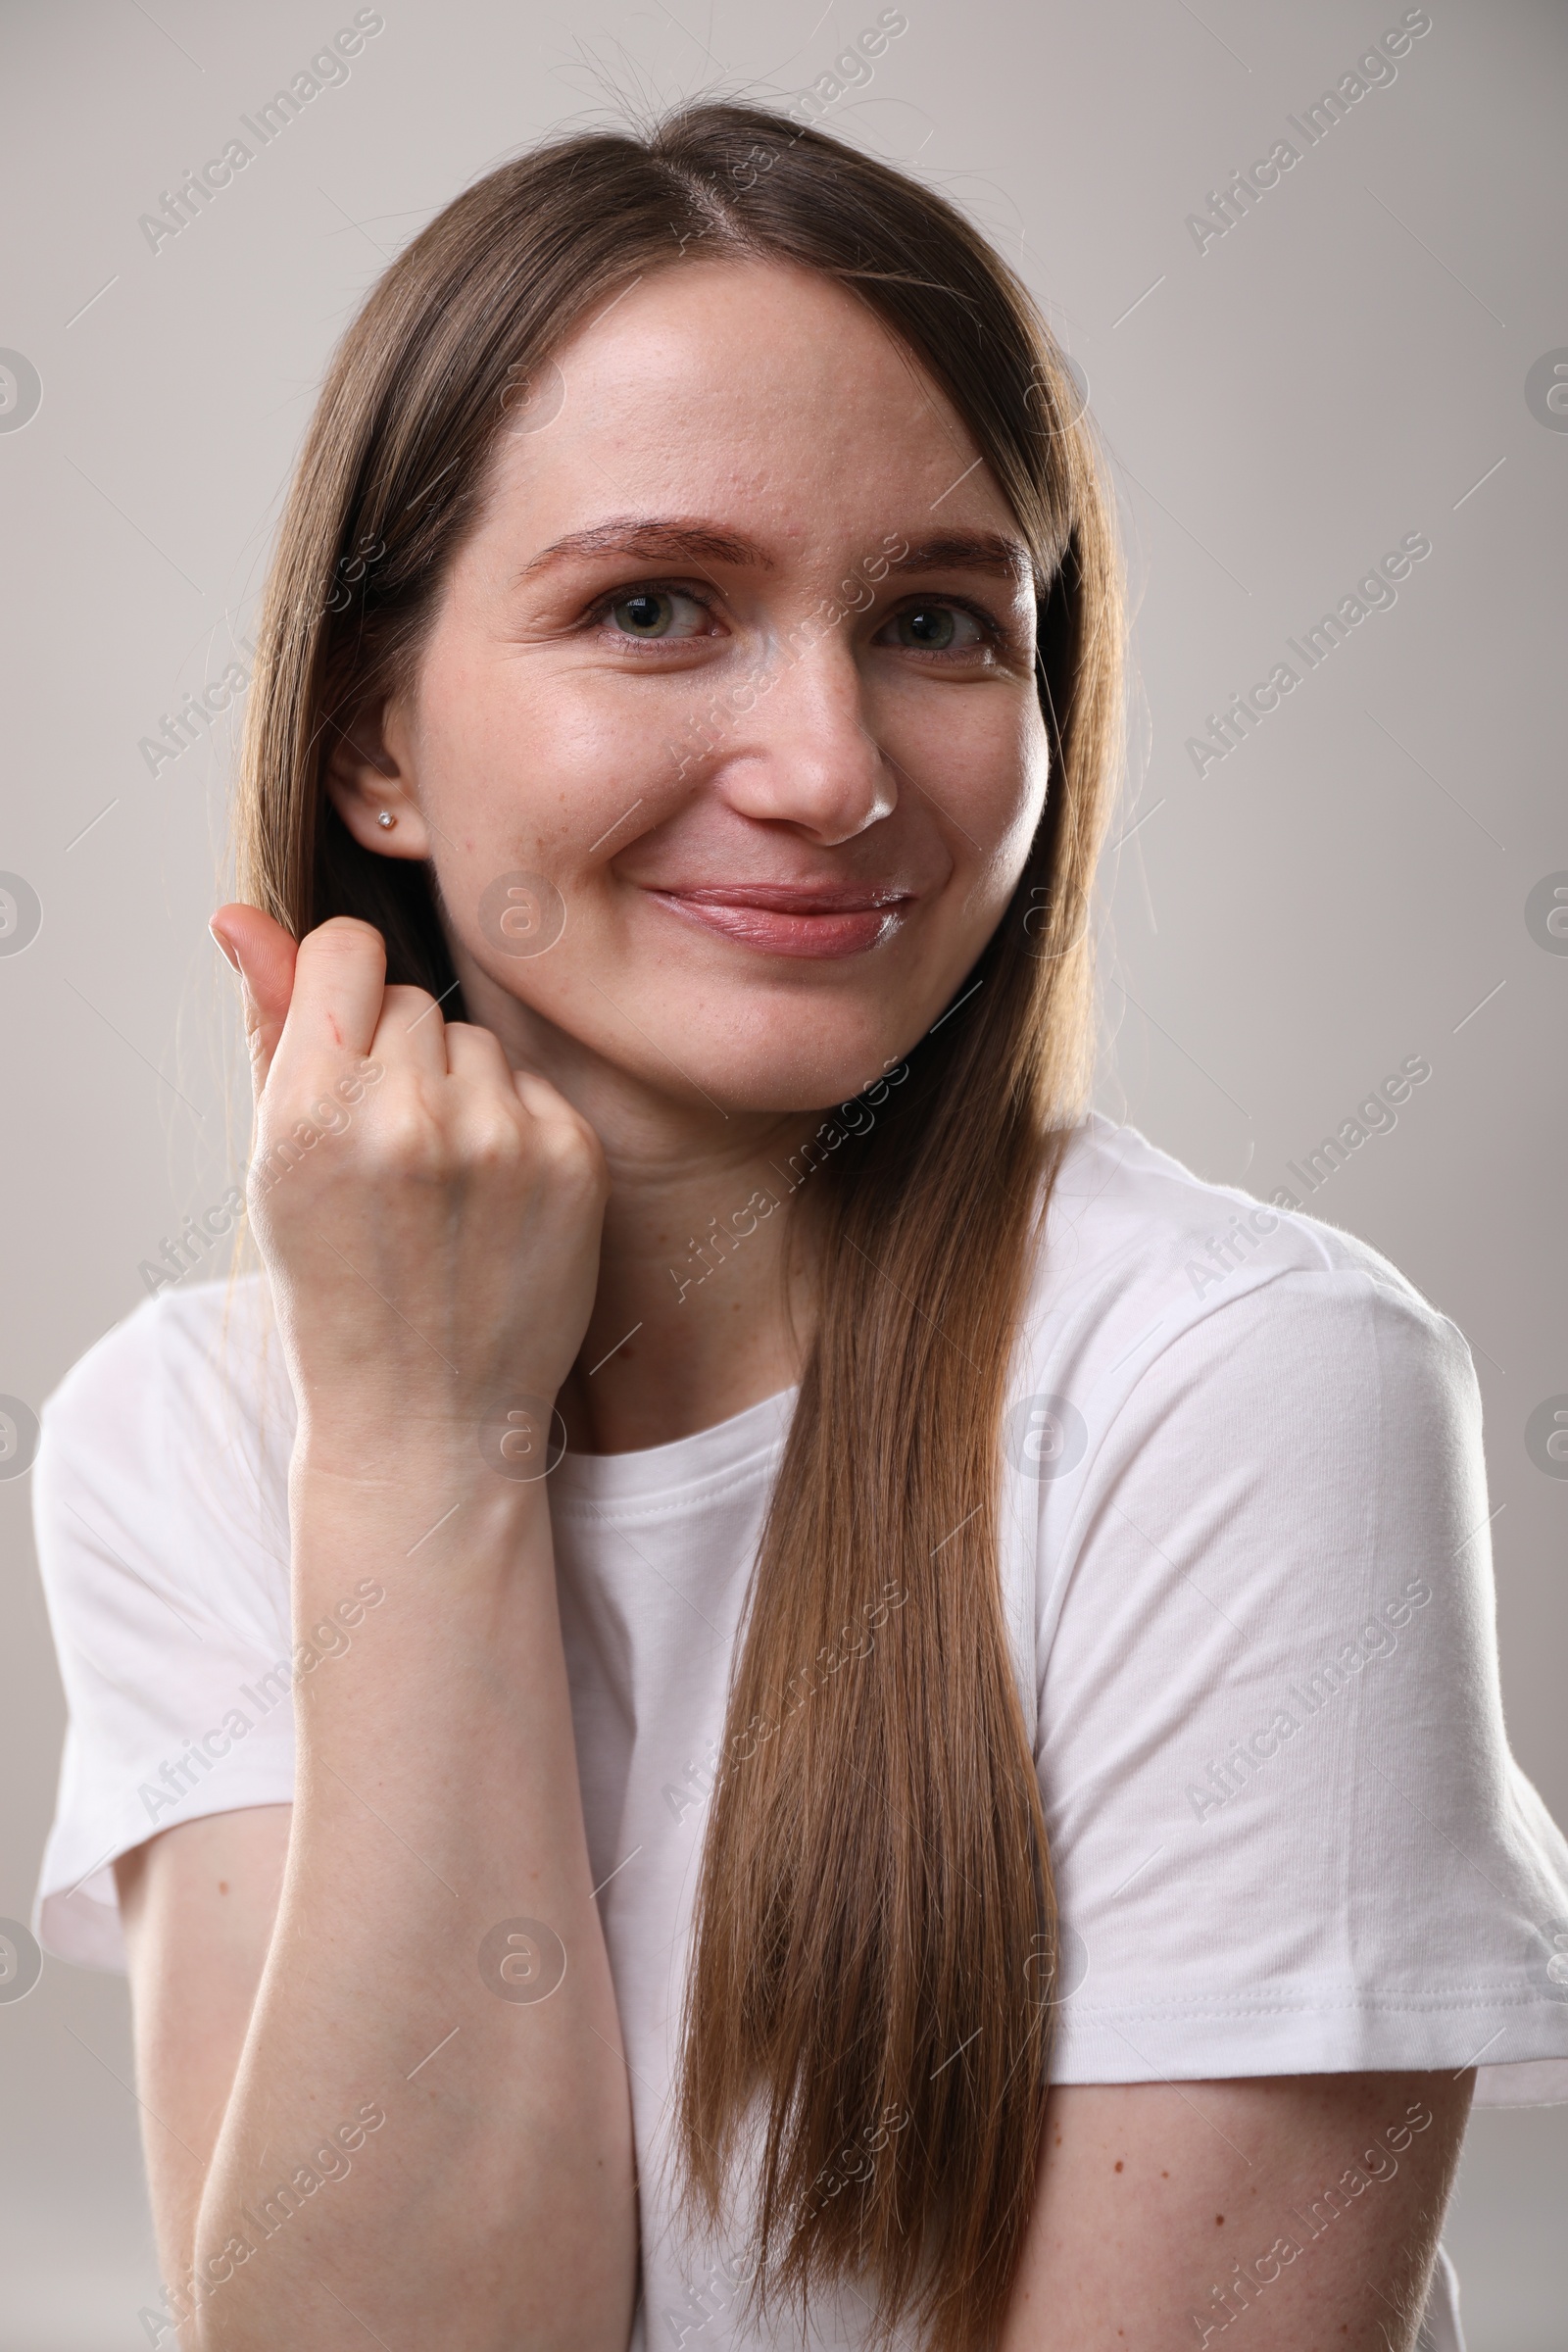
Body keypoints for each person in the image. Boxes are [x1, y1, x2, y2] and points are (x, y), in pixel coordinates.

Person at [29, 101, 1568, 2352]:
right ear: (377, 746)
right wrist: (420, 1451)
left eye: (940, 623)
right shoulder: (180, 1436)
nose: (831, 769)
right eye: (655, 608)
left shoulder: (1237, 1392)